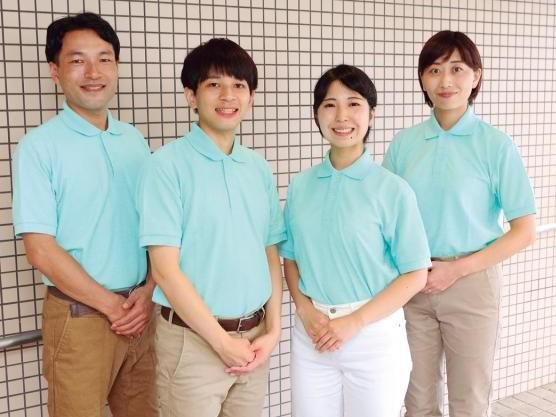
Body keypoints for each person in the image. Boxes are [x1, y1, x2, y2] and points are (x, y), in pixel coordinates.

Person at [383, 30, 537, 417]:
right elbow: (385, 219)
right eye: (434, 70)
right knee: (416, 400)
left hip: (471, 284)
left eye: (457, 69)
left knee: (469, 399)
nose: (445, 81)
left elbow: (524, 230)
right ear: (422, 79)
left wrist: (457, 270)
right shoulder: (404, 145)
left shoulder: (495, 145)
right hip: (413, 283)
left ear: (476, 76)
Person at [12, 12, 157, 417]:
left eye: (104, 59)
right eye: (78, 60)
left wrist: (149, 291)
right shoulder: (38, 147)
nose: (93, 72)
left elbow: (155, 227)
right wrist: (111, 305)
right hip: (80, 317)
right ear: (55, 71)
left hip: (141, 311)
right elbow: (40, 250)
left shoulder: (134, 140)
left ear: (117, 67)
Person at [137, 38, 285, 417]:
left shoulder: (258, 168)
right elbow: (164, 271)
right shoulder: (166, 166)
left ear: (251, 97)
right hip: (193, 346)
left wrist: (273, 329)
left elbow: (269, 251)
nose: (228, 96)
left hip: (254, 342)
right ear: (192, 95)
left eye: (239, 85)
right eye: (214, 84)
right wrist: (221, 342)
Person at [279, 64, 432, 417]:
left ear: (371, 114)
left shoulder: (392, 189)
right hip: (313, 334)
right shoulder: (301, 186)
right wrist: (305, 310)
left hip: (372, 336)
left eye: (354, 104)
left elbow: (415, 274)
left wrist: (355, 321)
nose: (342, 116)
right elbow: (291, 259)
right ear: (316, 115)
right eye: (329, 105)